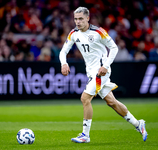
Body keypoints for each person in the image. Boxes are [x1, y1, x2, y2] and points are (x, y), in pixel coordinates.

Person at [59, 7, 147, 143]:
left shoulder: (98, 32)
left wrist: (105, 66)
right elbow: (63, 51)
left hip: (101, 72)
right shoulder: (73, 33)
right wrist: (64, 63)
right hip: (91, 73)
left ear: (88, 18)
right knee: (112, 102)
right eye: (75, 19)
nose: (77, 21)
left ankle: (85, 135)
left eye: (81, 18)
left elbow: (114, 48)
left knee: (85, 98)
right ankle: (138, 124)